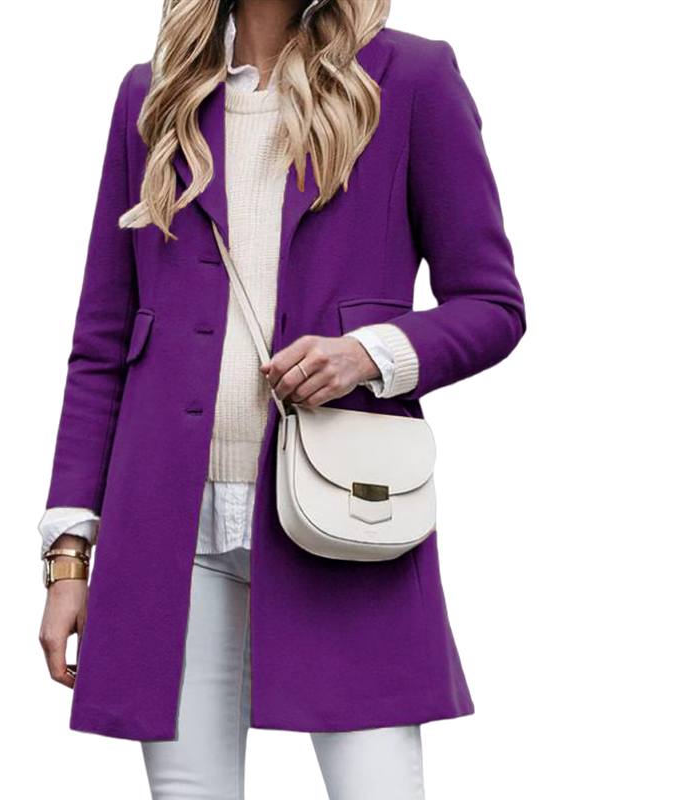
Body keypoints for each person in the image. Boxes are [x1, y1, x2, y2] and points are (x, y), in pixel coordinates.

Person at [38, 1, 526, 798]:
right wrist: (68, 558)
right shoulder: (153, 95)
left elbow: (493, 306)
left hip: (342, 515)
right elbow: (101, 345)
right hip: (168, 529)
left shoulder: (410, 78)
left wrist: (368, 354)